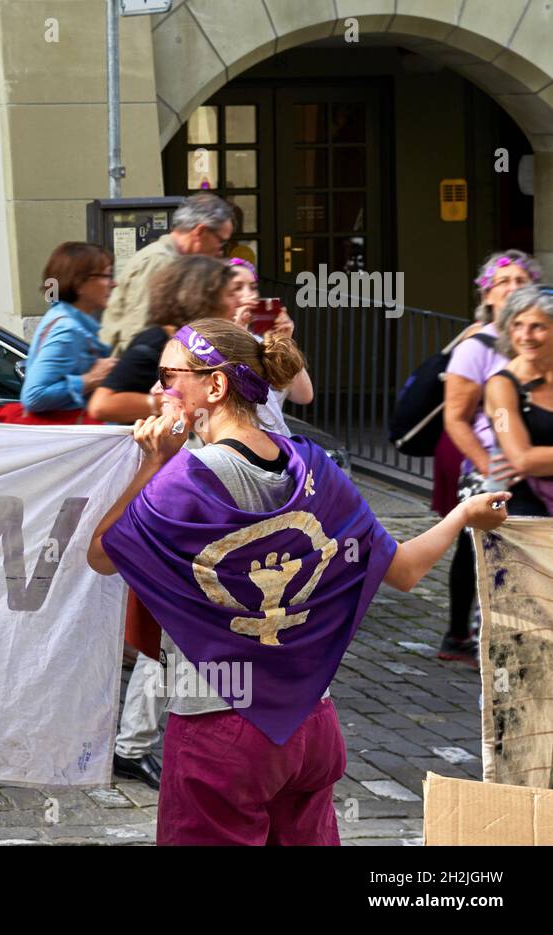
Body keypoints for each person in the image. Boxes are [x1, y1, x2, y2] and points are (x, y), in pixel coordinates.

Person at [86, 317, 510, 845]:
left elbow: (102, 555)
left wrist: (153, 463)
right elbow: (404, 570)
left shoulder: (183, 477)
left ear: (214, 386)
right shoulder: (315, 465)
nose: (158, 390)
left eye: (170, 376)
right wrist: (462, 514)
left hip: (217, 720)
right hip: (312, 720)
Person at [440, 250, 539, 663]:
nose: (514, 288)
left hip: (533, 462)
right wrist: (488, 468)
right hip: (493, 464)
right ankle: (490, 647)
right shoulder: (476, 347)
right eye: (505, 282)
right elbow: (457, 418)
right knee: (491, 556)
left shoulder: (540, 339)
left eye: (522, 281)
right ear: (488, 294)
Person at [88, 254, 236, 424]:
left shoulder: (203, 341)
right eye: (230, 294)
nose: (237, 301)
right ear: (204, 299)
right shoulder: (156, 342)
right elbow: (101, 405)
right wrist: (168, 402)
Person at [99, 192, 234, 352]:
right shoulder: (160, 261)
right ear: (200, 231)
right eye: (221, 241)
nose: (220, 251)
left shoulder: (172, 261)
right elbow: (139, 333)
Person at [16, 242, 116, 418]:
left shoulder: (64, 317)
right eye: (107, 275)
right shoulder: (68, 330)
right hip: (78, 439)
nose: (113, 283)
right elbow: (33, 396)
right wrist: (90, 379)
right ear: (80, 284)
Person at [484, 285, 553, 517]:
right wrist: (531, 460)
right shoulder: (501, 386)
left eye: (537, 326)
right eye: (517, 325)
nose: (525, 336)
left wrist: (542, 459)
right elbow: (522, 459)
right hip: (524, 511)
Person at [226, 258, 314, 435]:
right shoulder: (202, 341)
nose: (249, 295)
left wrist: (284, 343)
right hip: (235, 451)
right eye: (237, 288)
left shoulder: (261, 341)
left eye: (252, 287)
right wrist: (237, 333)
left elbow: (303, 396)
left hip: (275, 449)